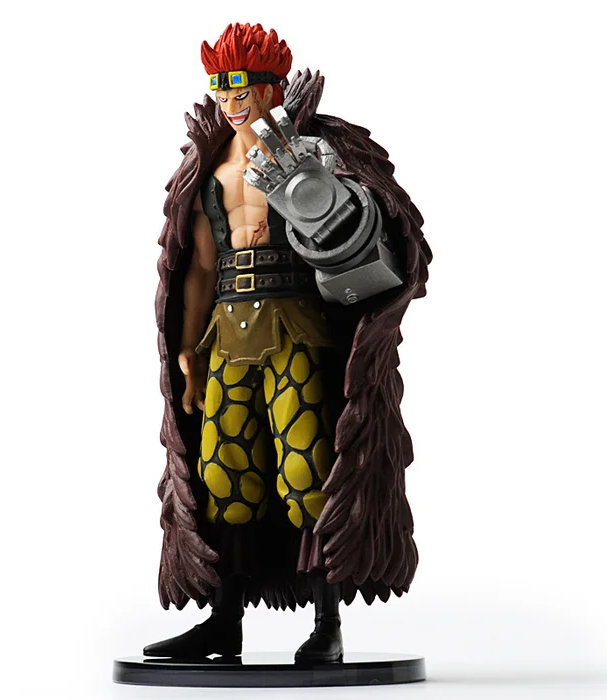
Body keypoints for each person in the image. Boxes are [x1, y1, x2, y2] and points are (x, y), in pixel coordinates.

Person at [145, 22, 431, 663]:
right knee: (223, 473)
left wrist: (324, 201)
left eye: (240, 85)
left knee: (308, 468)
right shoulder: (209, 171)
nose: (229, 99)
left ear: (272, 87)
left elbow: (374, 229)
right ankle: (225, 622)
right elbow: (199, 266)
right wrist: (188, 348)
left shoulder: (316, 152)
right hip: (228, 333)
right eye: (219, 86)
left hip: (297, 327)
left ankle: (328, 625)